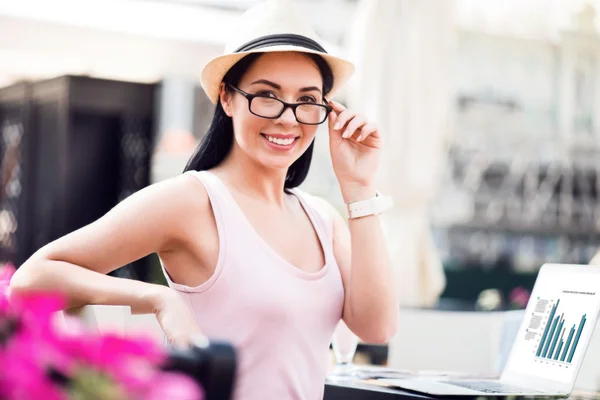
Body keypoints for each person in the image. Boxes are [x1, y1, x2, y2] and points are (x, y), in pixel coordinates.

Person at [10, 0, 398, 398]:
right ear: (227, 98)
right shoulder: (193, 201)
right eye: (267, 95)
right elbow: (30, 280)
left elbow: (376, 328)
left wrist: (358, 187)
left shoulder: (322, 217)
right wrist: (158, 298)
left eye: (306, 99)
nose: (288, 117)